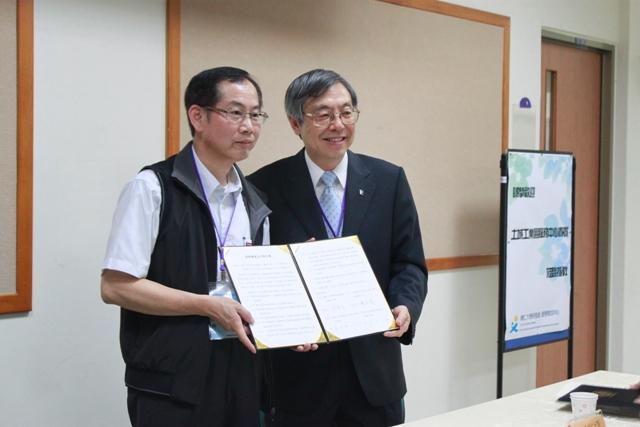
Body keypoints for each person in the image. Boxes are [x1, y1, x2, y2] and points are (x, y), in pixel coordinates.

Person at [249, 69, 428, 427]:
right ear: (295, 123)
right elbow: (255, 278)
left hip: (374, 377)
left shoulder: (388, 180)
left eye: (346, 112)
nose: (338, 124)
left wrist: (406, 306)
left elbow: (409, 263)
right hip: (297, 380)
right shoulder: (263, 186)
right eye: (323, 114)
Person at [101, 66, 271, 427]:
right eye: (235, 112)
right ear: (198, 116)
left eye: (256, 115)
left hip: (240, 372)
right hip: (170, 381)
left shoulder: (254, 200)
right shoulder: (152, 188)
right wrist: (206, 305)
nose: (249, 126)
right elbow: (115, 286)